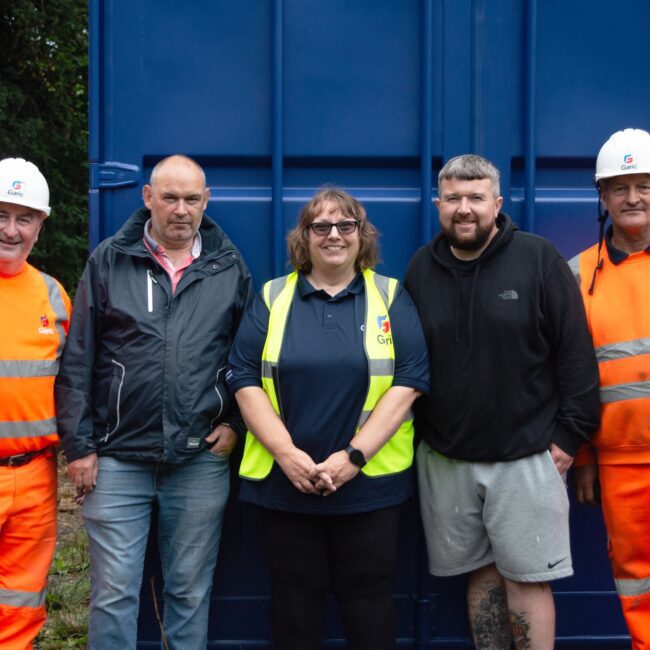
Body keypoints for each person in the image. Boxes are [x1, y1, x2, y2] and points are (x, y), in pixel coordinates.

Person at [54, 155, 252, 649]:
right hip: (117, 458)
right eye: (169, 197)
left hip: (198, 460)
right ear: (147, 199)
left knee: (189, 590)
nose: (180, 210)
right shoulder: (110, 259)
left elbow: (248, 359)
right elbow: (78, 357)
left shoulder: (229, 266)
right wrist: (78, 447)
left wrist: (233, 423)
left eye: (191, 199)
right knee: (114, 594)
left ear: (206, 202)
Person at [404, 154, 600, 649]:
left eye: (475, 198)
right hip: (447, 458)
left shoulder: (538, 259)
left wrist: (568, 438)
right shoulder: (421, 268)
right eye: (453, 198)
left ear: (497, 202)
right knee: (481, 576)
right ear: (438, 204)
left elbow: (576, 354)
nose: (463, 209)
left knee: (527, 579)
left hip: (527, 457)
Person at [227, 187, 429, 650]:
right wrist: (288, 456)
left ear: (362, 235)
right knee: (294, 603)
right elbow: (242, 377)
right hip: (286, 484)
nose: (333, 235)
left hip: (369, 485)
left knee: (370, 602)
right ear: (305, 237)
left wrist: (353, 456)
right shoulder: (273, 296)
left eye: (345, 226)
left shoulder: (390, 296)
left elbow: (411, 379)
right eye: (321, 226)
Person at [570, 128, 650, 649]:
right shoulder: (578, 273)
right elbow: (570, 376)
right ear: (602, 197)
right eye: (619, 187)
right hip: (620, 459)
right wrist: (582, 459)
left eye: (644, 184)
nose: (633, 198)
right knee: (636, 581)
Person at [0, 158, 71, 648]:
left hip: (35, 477)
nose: (10, 229)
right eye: (0, 214)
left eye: (24, 217)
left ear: (40, 226)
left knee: (21, 601)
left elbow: (76, 382)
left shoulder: (54, 297)